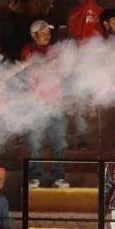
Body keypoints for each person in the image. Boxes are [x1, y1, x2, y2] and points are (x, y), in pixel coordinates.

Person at [21, 20, 69, 189]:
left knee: (59, 143)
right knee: (35, 143)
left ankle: (58, 177)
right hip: (36, 105)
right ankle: (35, 176)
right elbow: (32, 67)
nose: (47, 35)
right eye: (43, 32)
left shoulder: (56, 50)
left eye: (48, 32)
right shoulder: (29, 50)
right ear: (33, 35)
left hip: (56, 104)